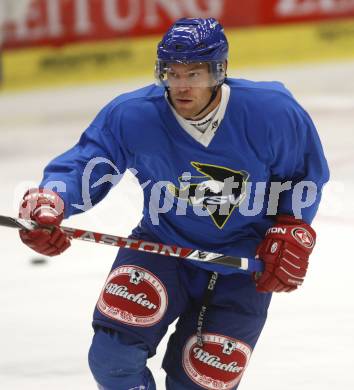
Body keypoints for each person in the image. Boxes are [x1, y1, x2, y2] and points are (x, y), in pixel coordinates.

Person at [18, 18, 329, 390]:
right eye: (171, 72)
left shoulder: (273, 113)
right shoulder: (134, 115)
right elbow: (89, 163)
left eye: (194, 74)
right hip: (160, 248)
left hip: (241, 265)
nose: (181, 86)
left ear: (220, 72)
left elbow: (302, 177)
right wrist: (54, 198)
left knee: (204, 379)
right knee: (112, 360)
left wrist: (292, 226)